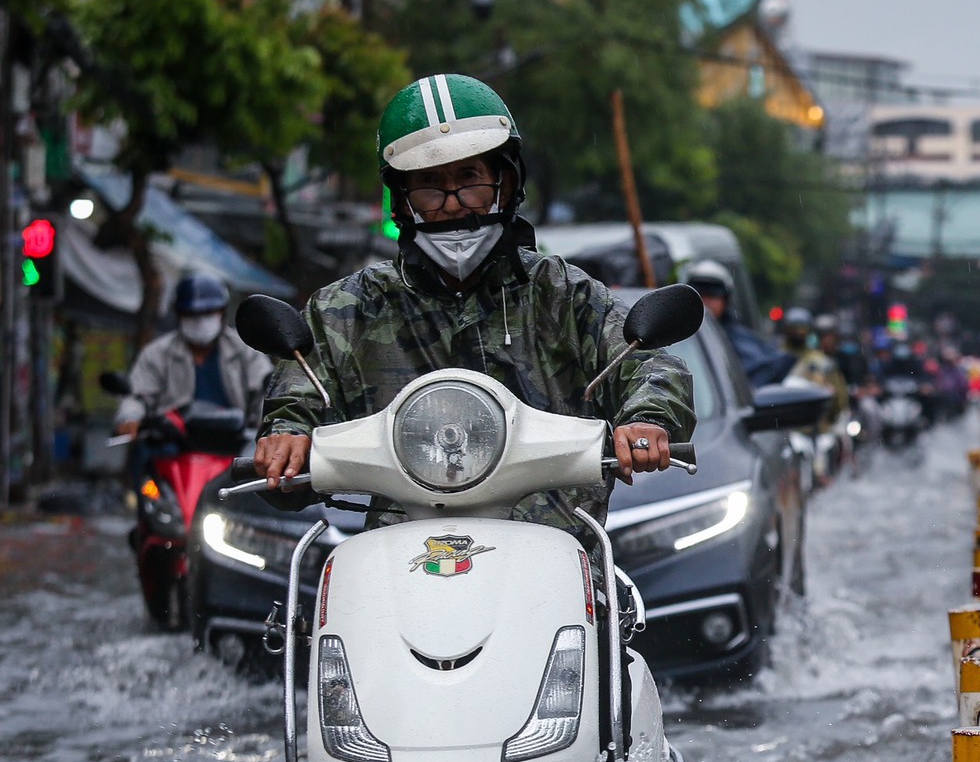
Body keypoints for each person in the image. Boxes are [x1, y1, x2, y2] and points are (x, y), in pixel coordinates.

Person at [255, 73, 693, 529]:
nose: (453, 203)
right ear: (402, 201)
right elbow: (300, 395)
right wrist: (287, 436)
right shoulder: (347, 310)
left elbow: (650, 365)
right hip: (399, 564)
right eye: (429, 183)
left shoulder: (562, 293)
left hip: (553, 560)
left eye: (469, 177)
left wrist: (647, 418)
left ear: (505, 182)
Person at [115, 274, 271, 437]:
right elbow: (137, 395)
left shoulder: (245, 350)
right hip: (170, 446)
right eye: (192, 314)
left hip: (234, 446)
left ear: (222, 311)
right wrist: (129, 417)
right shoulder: (157, 354)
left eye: (208, 312)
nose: (200, 321)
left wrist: (268, 424)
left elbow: (266, 393)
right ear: (179, 314)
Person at [684, 258, 792, 387]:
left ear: (725, 300)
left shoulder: (741, 341)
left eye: (713, 295)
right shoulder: (671, 337)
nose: (706, 302)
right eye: (700, 294)